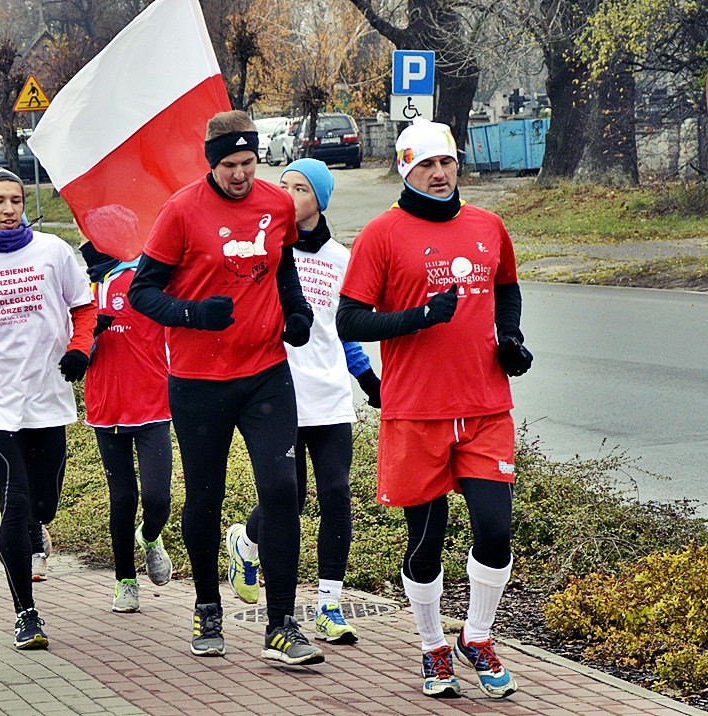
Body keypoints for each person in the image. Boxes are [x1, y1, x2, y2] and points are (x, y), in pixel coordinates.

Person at [336, 117, 533, 699]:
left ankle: (476, 636)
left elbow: (505, 285)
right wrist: (420, 317)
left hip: (484, 406)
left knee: (496, 531)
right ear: (406, 168)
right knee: (426, 544)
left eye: (447, 162)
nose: (440, 173)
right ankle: (431, 645)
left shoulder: (488, 226)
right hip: (415, 412)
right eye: (427, 164)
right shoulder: (381, 234)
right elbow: (349, 319)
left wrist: (510, 337)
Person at [129, 109, 324, 666]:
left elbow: (282, 265)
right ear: (211, 163)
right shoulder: (181, 211)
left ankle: (282, 624)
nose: (241, 175)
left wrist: (297, 309)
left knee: (283, 490)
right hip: (198, 381)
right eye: (230, 165)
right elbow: (143, 292)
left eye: (249, 162)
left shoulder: (277, 203)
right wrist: (192, 314)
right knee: (206, 498)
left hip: (265, 373)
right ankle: (207, 605)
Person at [225, 158, 381, 646]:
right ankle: (247, 543)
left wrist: (370, 381)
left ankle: (329, 604)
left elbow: (344, 331)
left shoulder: (341, 258)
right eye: (284, 185)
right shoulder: (266, 252)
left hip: (331, 396)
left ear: (321, 199)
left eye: (301, 188)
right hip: (277, 394)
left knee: (336, 495)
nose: (289, 194)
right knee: (287, 498)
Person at [0, 167, 95, 649]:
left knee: (44, 504)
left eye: (16, 199)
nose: (10, 208)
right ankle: (26, 614)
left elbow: (84, 307)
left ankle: (24, 514)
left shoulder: (53, 252)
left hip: (48, 394)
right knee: (17, 503)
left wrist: (80, 349)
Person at [80, 238, 173, 613]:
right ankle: (125, 581)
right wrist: (89, 335)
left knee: (156, 498)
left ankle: (150, 537)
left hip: (152, 405)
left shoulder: (145, 279)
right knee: (122, 499)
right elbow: (68, 349)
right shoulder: (83, 288)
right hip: (107, 408)